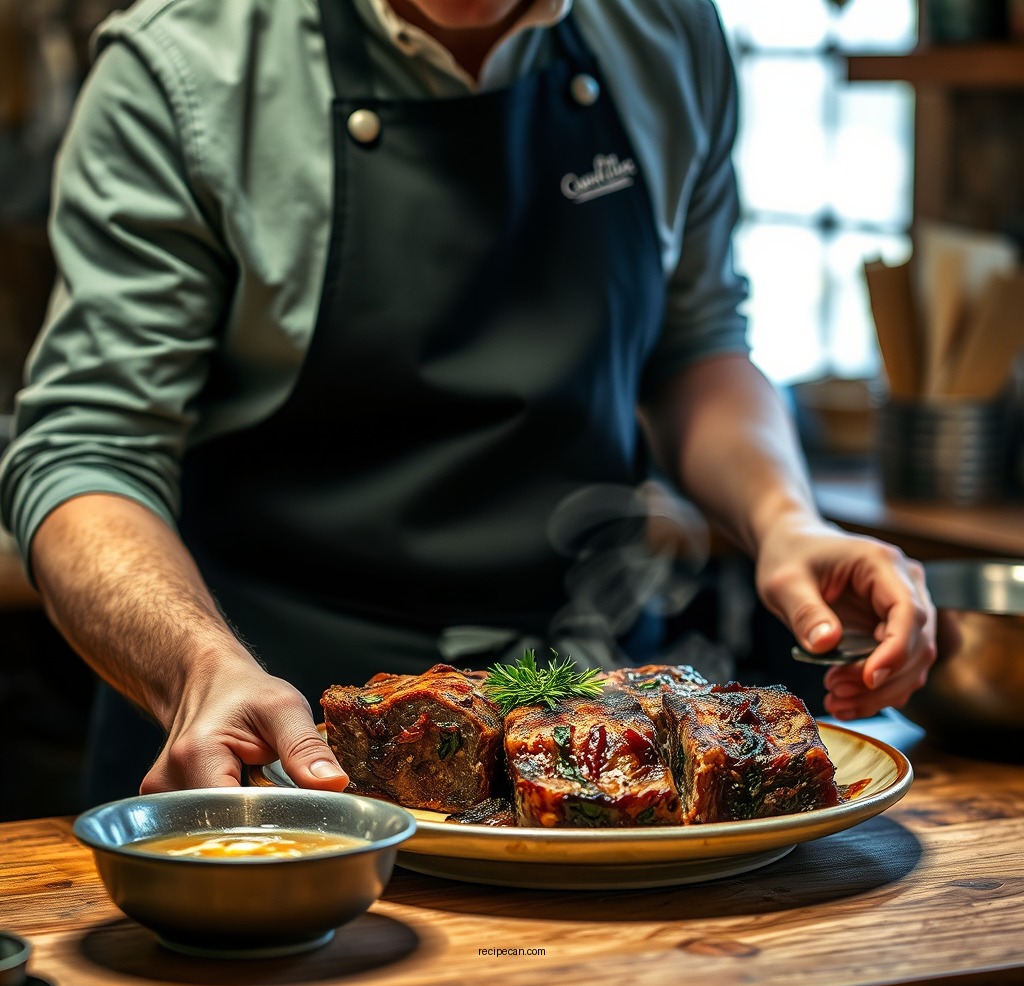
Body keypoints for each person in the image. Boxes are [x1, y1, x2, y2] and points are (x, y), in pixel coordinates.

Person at [0, 0, 936, 805]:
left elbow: (695, 346)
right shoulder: (187, 64)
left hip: (600, 723)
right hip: (271, 743)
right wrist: (197, 668)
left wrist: (784, 519)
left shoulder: (664, 30)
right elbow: (87, 450)